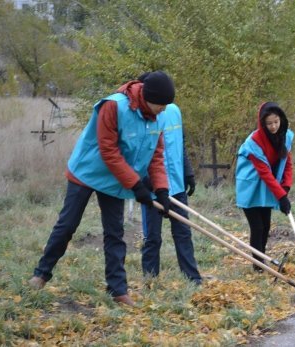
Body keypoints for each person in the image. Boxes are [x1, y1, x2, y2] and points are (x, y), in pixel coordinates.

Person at [28, 71, 175, 306]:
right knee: (67, 225)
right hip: (87, 172)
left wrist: (162, 191)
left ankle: (118, 290)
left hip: (116, 179)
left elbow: (156, 156)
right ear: (148, 97)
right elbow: (108, 151)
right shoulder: (114, 106)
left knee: (115, 232)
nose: (164, 109)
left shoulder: (156, 117)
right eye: (161, 104)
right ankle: (41, 274)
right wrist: (136, 185)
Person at [138, 73, 201, 285]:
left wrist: (188, 172)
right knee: (152, 237)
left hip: (176, 184)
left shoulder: (174, 111)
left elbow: (180, 143)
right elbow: (140, 153)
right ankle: (150, 280)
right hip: (152, 188)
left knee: (183, 233)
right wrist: (144, 181)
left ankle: (193, 279)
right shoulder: (143, 116)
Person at [235, 102, 293, 272]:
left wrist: (286, 188)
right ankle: (258, 266)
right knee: (257, 226)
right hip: (250, 186)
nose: (273, 126)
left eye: (276, 121)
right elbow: (264, 172)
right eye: (269, 123)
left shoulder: (284, 136)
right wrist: (281, 196)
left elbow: (287, 163)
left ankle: (262, 261)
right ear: (262, 124)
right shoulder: (254, 143)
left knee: (266, 225)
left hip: (267, 187)